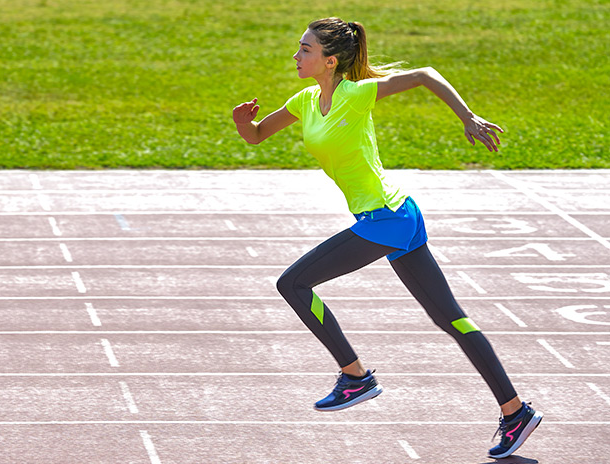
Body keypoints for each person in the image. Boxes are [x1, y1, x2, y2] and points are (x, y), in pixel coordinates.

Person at [232, 17, 541, 459]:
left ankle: (356, 377)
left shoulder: (356, 95)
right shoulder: (304, 101)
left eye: (304, 50)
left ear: (330, 60)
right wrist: (244, 122)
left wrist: (467, 117)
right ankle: (517, 412)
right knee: (449, 318)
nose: (296, 56)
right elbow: (257, 136)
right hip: (398, 216)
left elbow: (425, 76)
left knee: (293, 284)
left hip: (387, 219)